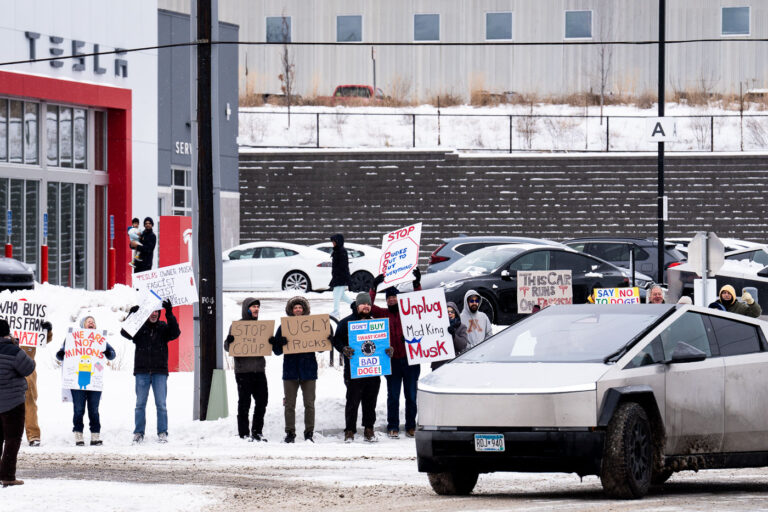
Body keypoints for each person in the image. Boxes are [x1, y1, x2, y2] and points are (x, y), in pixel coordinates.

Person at [369, 268, 422, 439]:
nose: (392, 299)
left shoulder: (409, 312)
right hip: (391, 362)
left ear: (399, 298)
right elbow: (367, 307)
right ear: (387, 301)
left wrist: (416, 284)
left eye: (394, 297)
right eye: (389, 298)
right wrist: (373, 287)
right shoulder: (382, 314)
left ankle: (411, 425)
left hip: (410, 360)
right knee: (393, 396)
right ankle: (392, 425)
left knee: (411, 396)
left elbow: (422, 303)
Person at [120, 299, 180, 444]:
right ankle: (139, 432)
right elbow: (125, 333)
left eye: (156, 312)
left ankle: (162, 432)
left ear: (159, 313)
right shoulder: (139, 327)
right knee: (140, 404)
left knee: (161, 404)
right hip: (142, 371)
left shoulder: (163, 327)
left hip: (160, 371)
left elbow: (175, 333)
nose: (153, 314)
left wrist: (170, 313)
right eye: (151, 312)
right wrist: (132, 316)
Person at [270, 296, 327, 443]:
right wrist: (278, 343)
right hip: (290, 371)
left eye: (300, 307)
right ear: (291, 310)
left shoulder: (312, 324)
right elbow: (276, 351)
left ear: (304, 310)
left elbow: (321, 348)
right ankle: (290, 433)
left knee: (309, 403)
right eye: (295, 308)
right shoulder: (284, 326)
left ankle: (309, 433)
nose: (298, 310)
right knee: (289, 404)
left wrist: (327, 339)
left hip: (308, 370)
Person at [56, 316, 116, 446]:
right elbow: (60, 353)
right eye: (89, 322)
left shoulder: (100, 339)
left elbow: (112, 354)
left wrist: (107, 352)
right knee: (79, 409)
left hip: (94, 379)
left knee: (94, 409)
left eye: (93, 322)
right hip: (76, 380)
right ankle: (78, 434)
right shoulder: (72, 338)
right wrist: (61, 354)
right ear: (83, 325)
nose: (92, 323)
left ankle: (95, 436)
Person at [332, 293, 381, 443]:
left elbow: (384, 342)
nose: (366, 306)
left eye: (368, 304)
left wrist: (387, 350)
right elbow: (336, 339)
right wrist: (343, 348)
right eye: (363, 304)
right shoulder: (346, 322)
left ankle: (369, 428)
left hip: (372, 370)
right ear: (357, 305)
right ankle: (349, 430)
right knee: (352, 401)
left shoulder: (377, 322)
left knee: (370, 401)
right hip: (353, 370)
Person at [224, 298, 268, 442]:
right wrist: (229, 342)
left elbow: (268, 346)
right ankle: (243, 433)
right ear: (246, 309)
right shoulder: (237, 326)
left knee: (262, 401)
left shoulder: (262, 327)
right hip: (243, 372)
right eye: (253, 307)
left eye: (257, 307)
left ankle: (257, 431)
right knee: (244, 403)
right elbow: (227, 347)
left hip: (259, 371)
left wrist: (271, 342)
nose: (256, 309)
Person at [0, 319, 35, 487]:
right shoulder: (14, 351)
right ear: (7, 332)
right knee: (12, 440)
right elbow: (29, 367)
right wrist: (17, 347)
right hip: (12, 404)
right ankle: (7, 476)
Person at [21, 319, 52, 447]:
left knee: (30, 405)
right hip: (7, 370)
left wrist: (47, 330)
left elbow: (44, 340)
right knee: (6, 404)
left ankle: (33, 436)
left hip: (28, 371)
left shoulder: (32, 328)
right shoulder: (6, 328)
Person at [431, 302, 469, 371]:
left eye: (452, 312)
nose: (450, 314)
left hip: (454, 363)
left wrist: (454, 335)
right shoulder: (436, 327)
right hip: (438, 365)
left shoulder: (461, 327)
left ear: (456, 313)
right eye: (447, 312)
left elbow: (463, 345)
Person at [329, 234, 353, 319]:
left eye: (334, 241)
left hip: (340, 277)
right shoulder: (337, 250)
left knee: (336, 294)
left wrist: (346, 278)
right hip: (337, 277)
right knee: (342, 296)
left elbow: (344, 266)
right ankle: (356, 305)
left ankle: (336, 311)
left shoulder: (341, 251)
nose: (333, 243)